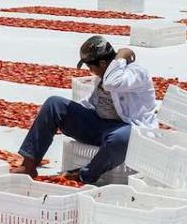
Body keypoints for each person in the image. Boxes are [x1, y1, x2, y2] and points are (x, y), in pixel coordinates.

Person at [14, 36, 157, 184]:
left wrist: (121, 55)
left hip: (127, 130)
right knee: (54, 104)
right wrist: (72, 115)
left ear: (102, 63)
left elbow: (112, 83)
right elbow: (91, 104)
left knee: (122, 138)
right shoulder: (104, 74)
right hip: (101, 126)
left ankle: (85, 175)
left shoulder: (136, 73)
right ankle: (29, 165)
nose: (91, 71)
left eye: (91, 67)